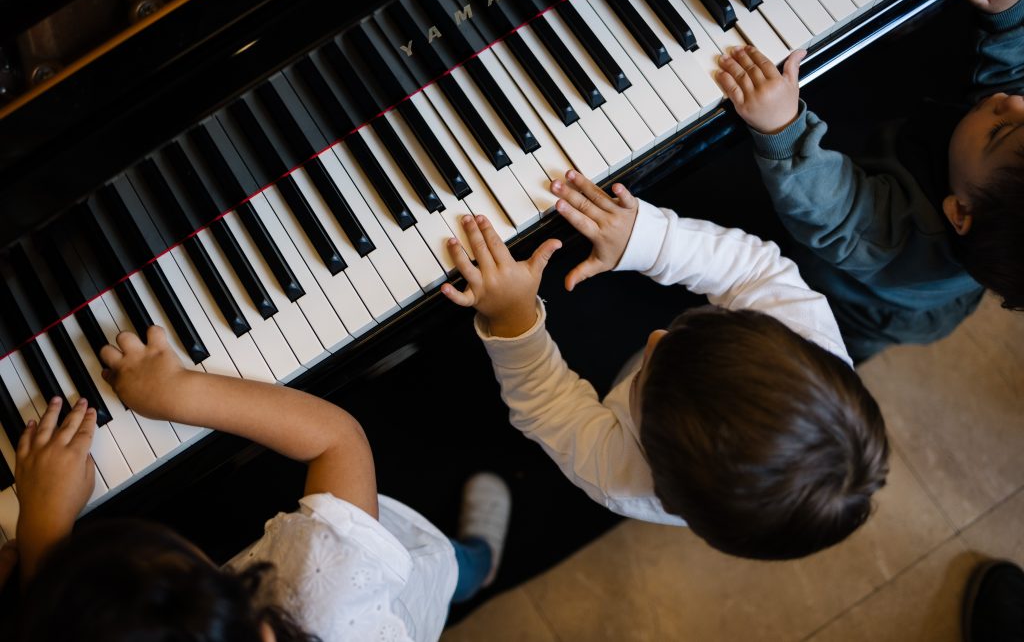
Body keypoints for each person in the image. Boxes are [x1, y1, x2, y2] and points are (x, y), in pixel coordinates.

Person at [439, 171, 889, 560]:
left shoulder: (618, 478)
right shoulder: (809, 343)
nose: (655, 335)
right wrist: (648, 241)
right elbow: (754, 271)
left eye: (645, 379)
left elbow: (549, 407)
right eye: (679, 334)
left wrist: (513, 320)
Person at [12, 328, 511, 642]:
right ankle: (481, 562)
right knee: (447, 568)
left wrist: (44, 531)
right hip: (403, 587)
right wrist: (179, 392)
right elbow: (338, 441)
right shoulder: (328, 593)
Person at [713, 0, 1024, 361]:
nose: (1013, 103)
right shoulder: (994, 161)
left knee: (819, 340)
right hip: (943, 247)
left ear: (960, 211)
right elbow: (1012, 89)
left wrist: (782, 128)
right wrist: (1009, 16)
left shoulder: (891, 235)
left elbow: (834, 212)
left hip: (863, 304)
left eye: (1000, 132)